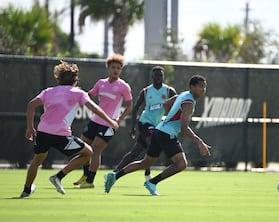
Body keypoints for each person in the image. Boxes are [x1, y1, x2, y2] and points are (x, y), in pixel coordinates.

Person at [20, 61, 119, 198]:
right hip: (61, 135)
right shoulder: (78, 93)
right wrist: (110, 122)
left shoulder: (48, 91)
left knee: (37, 161)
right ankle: (59, 176)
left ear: (58, 79)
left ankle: (26, 190)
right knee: (88, 153)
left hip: (42, 133)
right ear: (75, 80)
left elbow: (31, 105)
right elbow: (94, 108)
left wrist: (30, 128)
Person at [104, 74, 211, 195]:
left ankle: (114, 176)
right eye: (200, 86)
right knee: (181, 164)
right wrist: (200, 142)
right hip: (167, 134)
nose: (203, 89)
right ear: (192, 87)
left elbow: (166, 104)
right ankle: (152, 182)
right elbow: (184, 128)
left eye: (205, 87)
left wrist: (168, 118)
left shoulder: (183, 95)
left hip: (159, 131)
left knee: (145, 163)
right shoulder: (189, 103)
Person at [73, 54, 132, 188]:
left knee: (95, 150)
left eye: (118, 68)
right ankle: (85, 174)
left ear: (121, 70)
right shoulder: (101, 83)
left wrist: (119, 119)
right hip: (95, 121)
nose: (115, 70)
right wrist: (77, 94)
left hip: (109, 123)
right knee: (84, 148)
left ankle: (90, 182)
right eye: (113, 67)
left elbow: (129, 106)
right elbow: (89, 96)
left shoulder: (123, 86)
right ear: (108, 68)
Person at [113, 66, 176, 180]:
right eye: (156, 75)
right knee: (152, 143)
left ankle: (115, 172)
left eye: (161, 75)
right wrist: (133, 127)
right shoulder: (146, 91)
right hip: (145, 122)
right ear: (152, 76)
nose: (158, 77)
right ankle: (147, 174)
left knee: (135, 152)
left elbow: (176, 106)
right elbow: (135, 108)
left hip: (157, 124)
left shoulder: (169, 91)